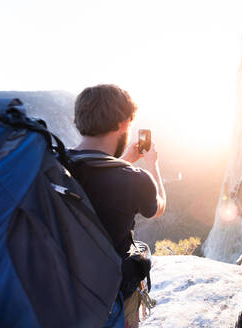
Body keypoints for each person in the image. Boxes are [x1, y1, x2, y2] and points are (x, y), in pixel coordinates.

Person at [68, 84, 166, 327]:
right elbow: (157, 208)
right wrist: (152, 166)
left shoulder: (55, 163)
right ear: (124, 124)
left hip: (59, 290)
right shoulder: (134, 179)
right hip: (109, 297)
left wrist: (123, 161)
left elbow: (94, 174)